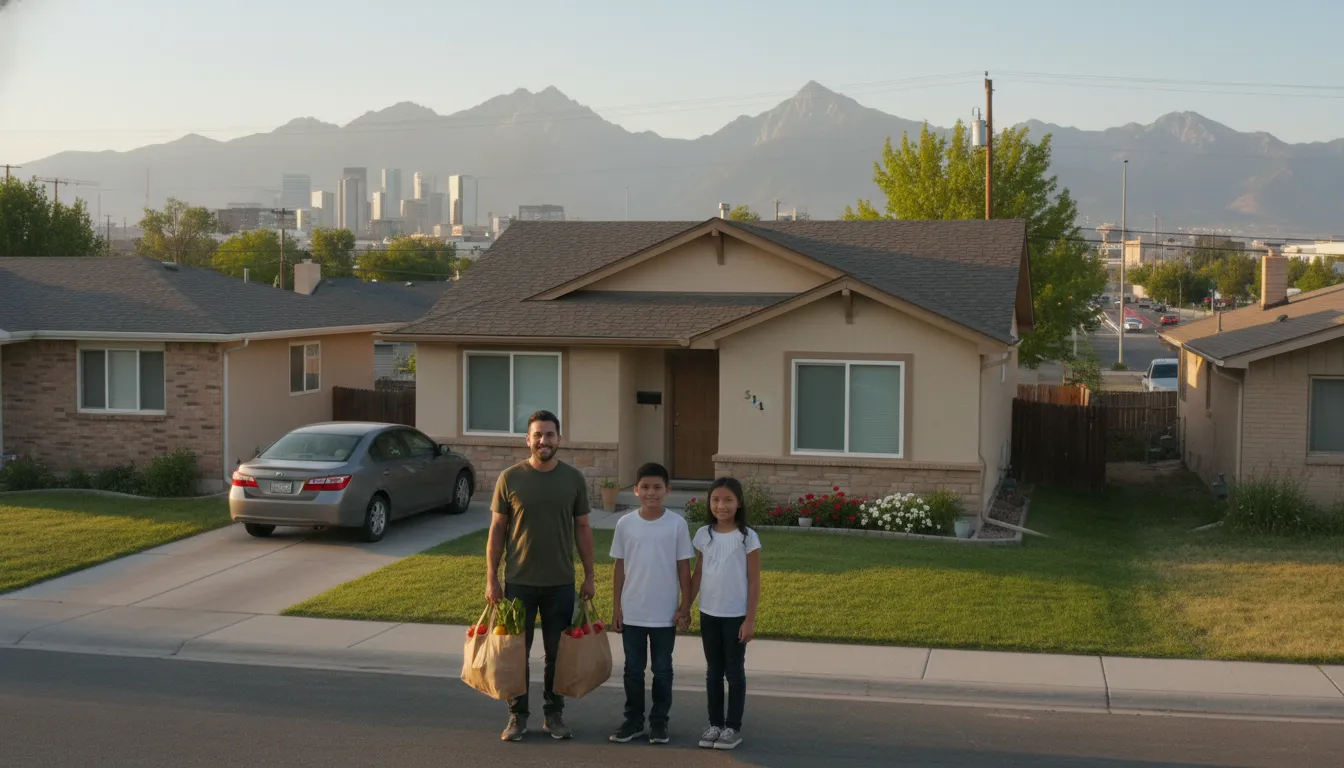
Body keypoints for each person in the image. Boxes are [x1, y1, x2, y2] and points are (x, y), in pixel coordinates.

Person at [485, 410, 596, 743]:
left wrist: (589, 575)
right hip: (519, 582)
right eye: (537, 435)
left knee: (556, 655)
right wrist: (492, 578)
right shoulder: (510, 478)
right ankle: (517, 717)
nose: (543, 441)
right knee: (516, 653)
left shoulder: (574, 479)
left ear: (559, 439)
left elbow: (583, 528)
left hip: (560, 582)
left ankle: (553, 715)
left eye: (549, 435)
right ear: (527, 440)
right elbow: (497, 529)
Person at [608, 462, 694, 745]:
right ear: (635, 491)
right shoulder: (625, 524)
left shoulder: (677, 524)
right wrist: (616, 608)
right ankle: (633, 721)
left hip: (664, 615)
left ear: (667, 490)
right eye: (645, 487)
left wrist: (685, 607)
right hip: (633, 611)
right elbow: (620, 568)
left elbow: (684, 569)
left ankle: (659, 723)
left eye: (657, 487)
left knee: (662, 670)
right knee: (633, 670)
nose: (651, 492)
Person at [689, 477, 761, 751]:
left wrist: (749, 619)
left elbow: (754, 581)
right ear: (709, 502)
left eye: (728, 500)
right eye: (716, 499)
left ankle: (733, 727)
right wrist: (686, 607)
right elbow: (697, 574)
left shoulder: (747, 538)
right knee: (713, 672)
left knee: (734, 672)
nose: (721, 505)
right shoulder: (704, 535)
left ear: (739, 503)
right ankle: (715, 724)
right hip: (709, 614)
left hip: (735, 616)